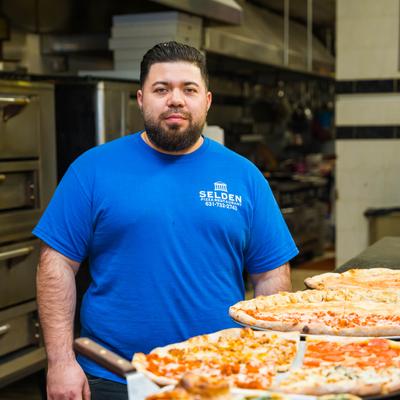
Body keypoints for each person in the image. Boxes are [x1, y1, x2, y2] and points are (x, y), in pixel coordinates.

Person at [34, 41, 298, 400]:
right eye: (162, 89)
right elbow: (56, 265)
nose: (176, 99)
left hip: (220, 375)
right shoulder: (93, 169)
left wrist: (269, 356)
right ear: (141, 99)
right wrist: (61, 362)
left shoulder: (244, 176)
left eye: (189, 89)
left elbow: (270, 275)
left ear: (207, 101)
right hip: (113, 376)